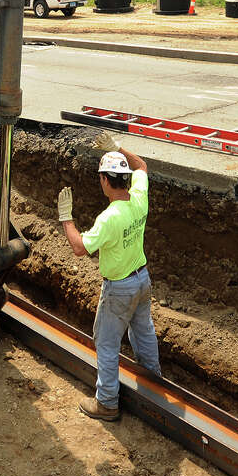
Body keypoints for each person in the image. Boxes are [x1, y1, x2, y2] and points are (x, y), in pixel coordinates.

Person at [58, 132, 161, 421]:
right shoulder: (139, 198)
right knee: (143, 331)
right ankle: (153, 383)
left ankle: (106, 403)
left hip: (119, 289)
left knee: (105, 342)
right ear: (125, 178)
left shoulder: (110, 217)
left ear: (105, 180)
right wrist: (118, 149)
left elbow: (80, 248)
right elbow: (141, 166)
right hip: (142, 280)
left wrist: (66, 218)